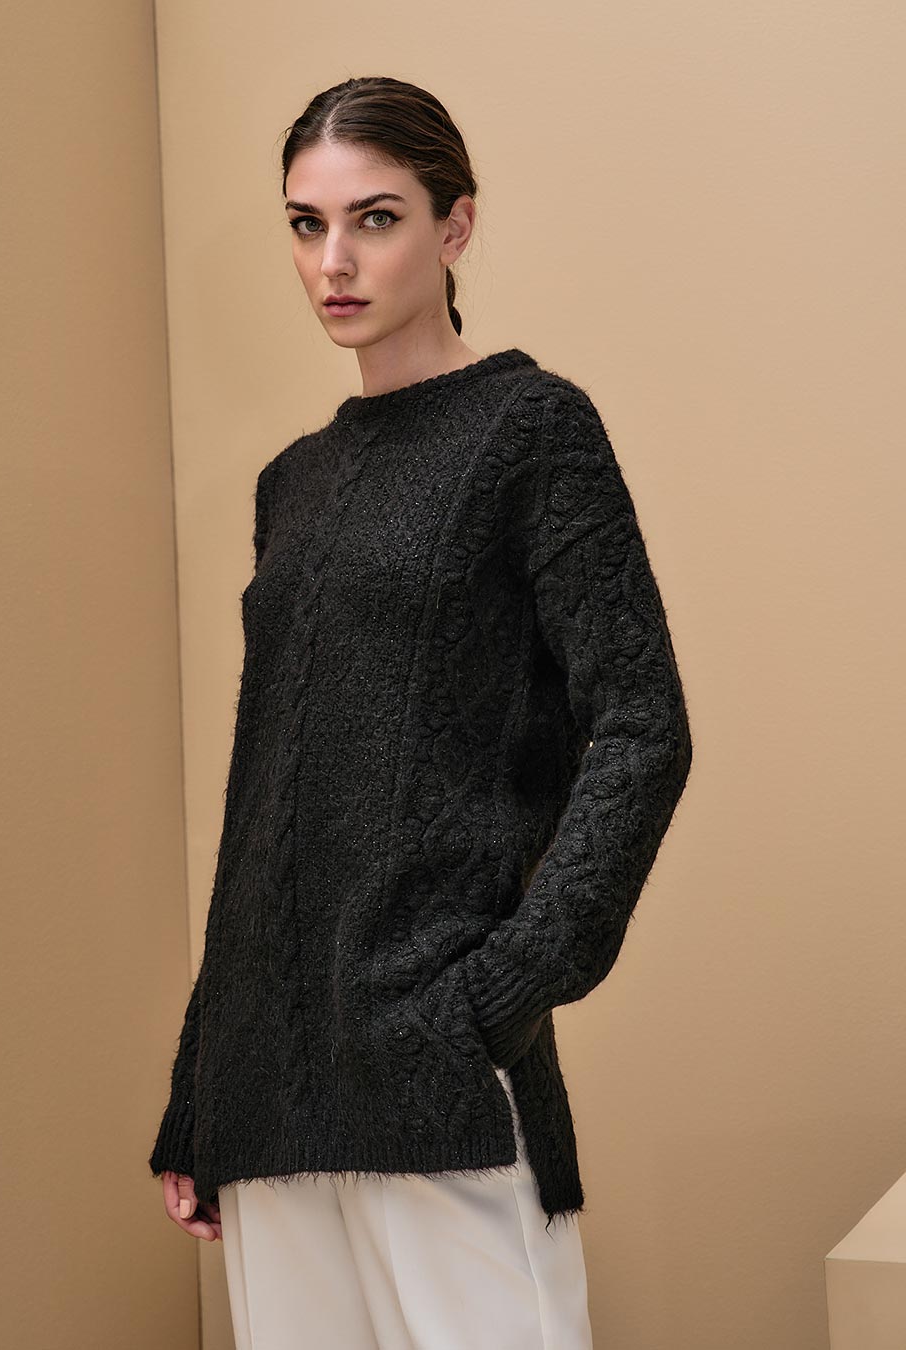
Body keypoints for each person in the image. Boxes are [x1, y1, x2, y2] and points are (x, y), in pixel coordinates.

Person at [149, 75, 693, 1349]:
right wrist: (196, 1084)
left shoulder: (531, 429)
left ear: (455, 227)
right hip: (267, 1089)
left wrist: (504, 990)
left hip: (435, 1061)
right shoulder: (293, 482)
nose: (333, 262)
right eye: (306, 224)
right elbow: (265, 800)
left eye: (375, 219)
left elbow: (641, 723)